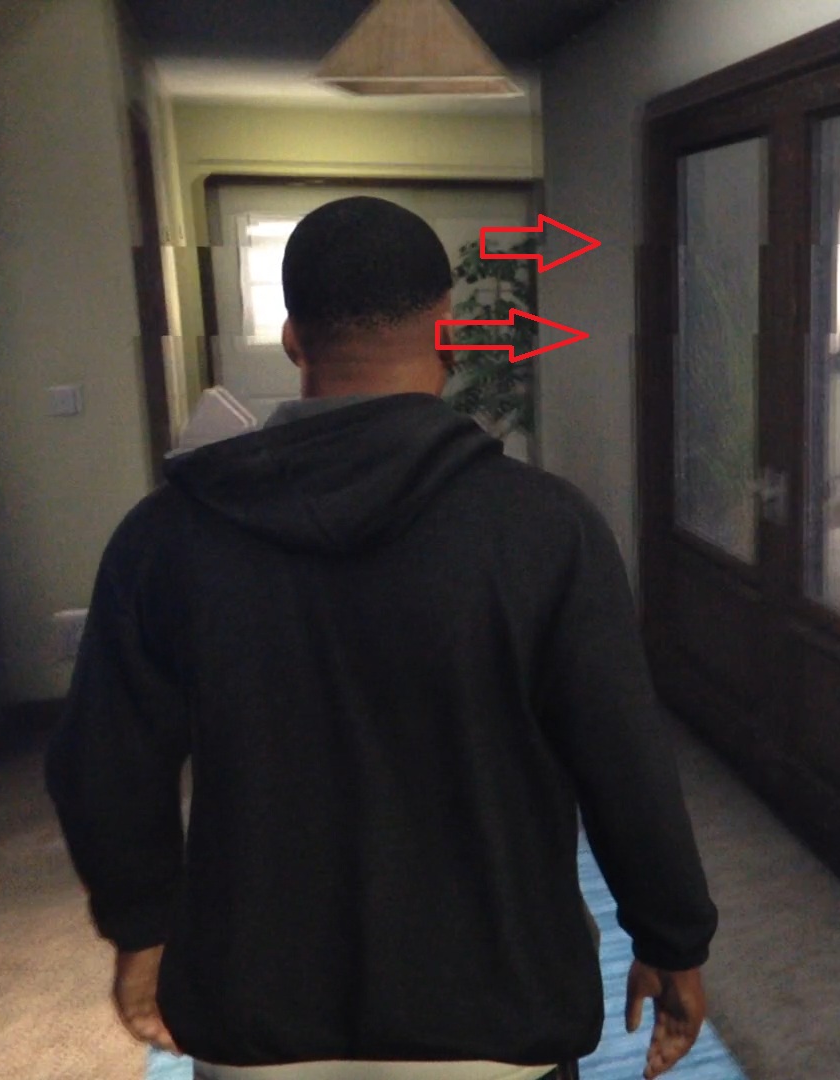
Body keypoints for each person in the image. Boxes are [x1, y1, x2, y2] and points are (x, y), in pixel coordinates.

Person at [45, 196, 717, 1080]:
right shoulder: (547, 529)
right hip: (496, 1017)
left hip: (256, 1020)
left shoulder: (165, 538)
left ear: (293, 339)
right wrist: (671, 939)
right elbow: (623, 758)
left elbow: (102, 764)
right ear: (447, 329)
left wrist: (141, 930)